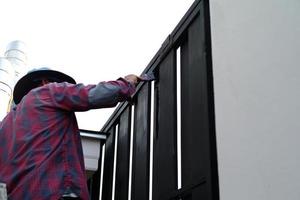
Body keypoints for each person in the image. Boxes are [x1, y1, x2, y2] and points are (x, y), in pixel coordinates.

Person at [0, 67, 140, 200]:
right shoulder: (47, 92)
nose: (64, 86)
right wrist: (125, 84)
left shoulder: (4, 125)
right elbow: (93, 95)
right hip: (56, 193)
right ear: (45, 82)